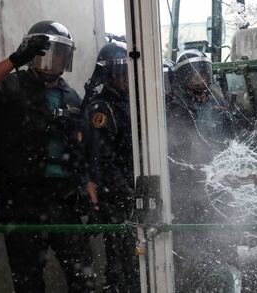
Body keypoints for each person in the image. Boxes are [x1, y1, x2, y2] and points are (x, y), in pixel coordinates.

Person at [0, 21, 96, 292]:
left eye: (61, 54)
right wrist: (14, 60)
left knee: (84, 279)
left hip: (64, 203)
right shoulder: (11, 85)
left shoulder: (71, 98)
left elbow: (80, 151)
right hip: (21, 202)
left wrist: (87, 187)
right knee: (28, 282)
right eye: (46, 53)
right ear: (32, 55)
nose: (53, 62)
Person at [166, 49, 240, 292]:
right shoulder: (172, 109)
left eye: (203, 73)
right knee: (189, 248)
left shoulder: (220, 104)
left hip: (218, 186)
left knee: (224, 242)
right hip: (186, 189)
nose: (200, 80)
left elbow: (234, 141)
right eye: (192, 75)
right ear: (181, 79)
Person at [83, 40, 139, 293]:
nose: (125, 77)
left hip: (132, 190)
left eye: (128, 71)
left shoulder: (132, 102)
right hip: (117, 196)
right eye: (119, 72)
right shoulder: (102, 107)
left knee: (137, 257)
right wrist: (127, 190)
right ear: (108, 75)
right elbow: (102, 158)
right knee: (121, 258)